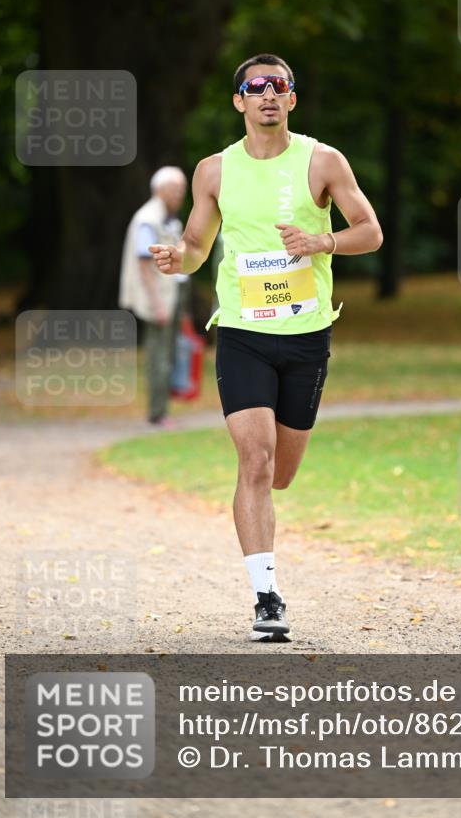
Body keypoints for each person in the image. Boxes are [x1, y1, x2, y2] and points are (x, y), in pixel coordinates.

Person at [150, 54, 383, 641]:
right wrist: (181, 259)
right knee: (253, 461)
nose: (268, 95)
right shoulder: (214, 171)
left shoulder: (323, 161)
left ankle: (266, 567)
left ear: (293, 100)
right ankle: (267, 596)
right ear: (240, 102)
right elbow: (199, 243)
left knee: (280, 473)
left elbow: (371, 231)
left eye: (280, 86)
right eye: (256, 87)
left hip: (306, 335)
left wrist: (322, 239)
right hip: (243, 333)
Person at [119, 166, 189, 425]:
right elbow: (144, 264)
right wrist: (157, 304)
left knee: (168, 352)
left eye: (183, 189)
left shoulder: (169, 218)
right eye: (176, 189)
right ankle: (157, 413)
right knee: (158, 354)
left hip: (172, 294)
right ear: (160, 189)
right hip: (159, 298)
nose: (181, 194)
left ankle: (163, 409)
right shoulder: (148, 219)